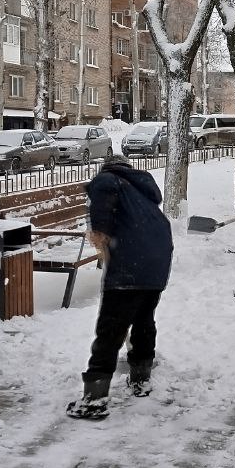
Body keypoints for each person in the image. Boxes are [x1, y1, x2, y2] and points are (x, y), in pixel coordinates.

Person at [67, 154, 174, 421]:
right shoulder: (140, 189)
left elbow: (101, 220)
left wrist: (100, 235)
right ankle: (141, 379)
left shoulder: (107, 180)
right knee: (143, 320)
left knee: (111, 329)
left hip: (129, 265)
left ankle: (94, 399)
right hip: (156, 263)